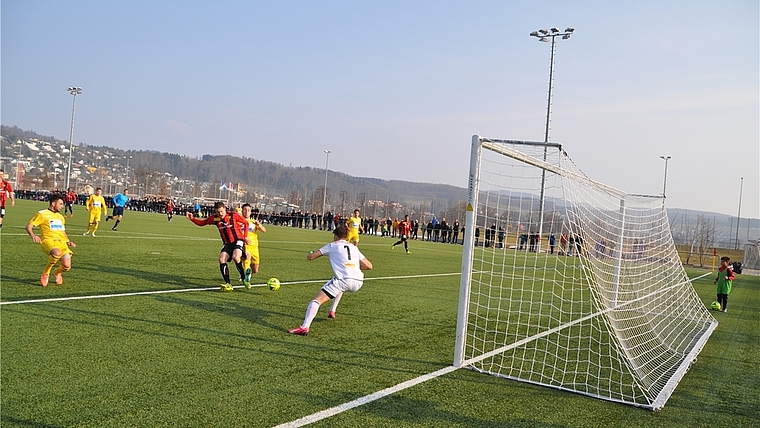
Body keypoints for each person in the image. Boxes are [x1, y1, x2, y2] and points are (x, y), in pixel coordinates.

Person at [289, 225, 373, 336]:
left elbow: (311, 257)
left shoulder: (332, 246)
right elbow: (369, 266)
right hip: (358, 281)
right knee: (338, 284)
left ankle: (304, 327)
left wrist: (310, 253)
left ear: (336, 236)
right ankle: (332, 310)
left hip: (344, 280)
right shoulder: (353, 247)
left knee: (315, 301)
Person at [186, 202, 250, 291]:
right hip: (227, 243)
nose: (220, 214)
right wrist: (192, 219)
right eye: (217, 212)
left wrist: (245, 236)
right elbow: (202, 223)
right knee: (221, 259)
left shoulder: (233, 215)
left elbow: (246, 223)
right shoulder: (215, 218)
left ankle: (244, 279)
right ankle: (228, 284)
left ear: (225, 209)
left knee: (236, 257)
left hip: (238, 240)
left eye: (221, 211)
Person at [26, 194, 77, 286]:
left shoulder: (60, 217)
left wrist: (68, 241)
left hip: (62, 243)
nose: (62, 206)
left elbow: (62, 231)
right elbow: (29, 226)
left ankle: (57, 273)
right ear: (53, 203)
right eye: (60, 204)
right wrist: (33, 235)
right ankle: (46, 273)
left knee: (67, 265)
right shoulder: (42, 214)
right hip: (48, 241)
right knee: (56, 252)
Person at [240, 203, 266, 288]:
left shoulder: (253, 222)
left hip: (255, 248)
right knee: (246, 260)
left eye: (248, 210)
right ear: (242, 210)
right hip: (245, 246)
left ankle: (245, 273)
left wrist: (259, 225)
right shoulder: (238, 221)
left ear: (251, 212)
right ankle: (246, 275)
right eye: (245, 210)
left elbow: (264, 230)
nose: (246, 211)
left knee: (255, 270)